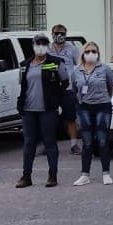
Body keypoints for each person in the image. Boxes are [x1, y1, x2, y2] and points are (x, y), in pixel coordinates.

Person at [16, 33, 70, 188]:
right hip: (28, 109)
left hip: (48, 109)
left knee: (49, 142)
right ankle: (26, 176)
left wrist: (55, 98)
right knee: (29, 143)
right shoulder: (24, 64)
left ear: (47, 46)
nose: (40, 46)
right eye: (38, 43)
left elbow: (65, 83)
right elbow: (22, 85)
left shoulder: (55, 63)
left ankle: (52, 175)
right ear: (33, 46)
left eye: (44, 43)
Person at [70, 42, 113, 186]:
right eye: (88, 51)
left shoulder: (105, 68)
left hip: (102, 106)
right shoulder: (76, 70)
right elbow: (74, 89)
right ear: (83, 54)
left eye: (93, 51)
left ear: (98, 53)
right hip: (84, 108)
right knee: (87, 142)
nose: (90, 53)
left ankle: (106, 173)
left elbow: (110, 87)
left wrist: (104, 99)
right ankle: (85, 175)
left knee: (102, 140)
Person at [48, 24, 82, 155]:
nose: (59, 35)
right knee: (50, 117)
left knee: (71, 117)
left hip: (67, 88)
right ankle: (49, 144)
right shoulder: (47, 49)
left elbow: (79, 66)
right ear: (52, 34)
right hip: (51, 89)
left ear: (66, 34)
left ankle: (74, 145)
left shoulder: (72, 49)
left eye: (62, 33)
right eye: (56, 33)